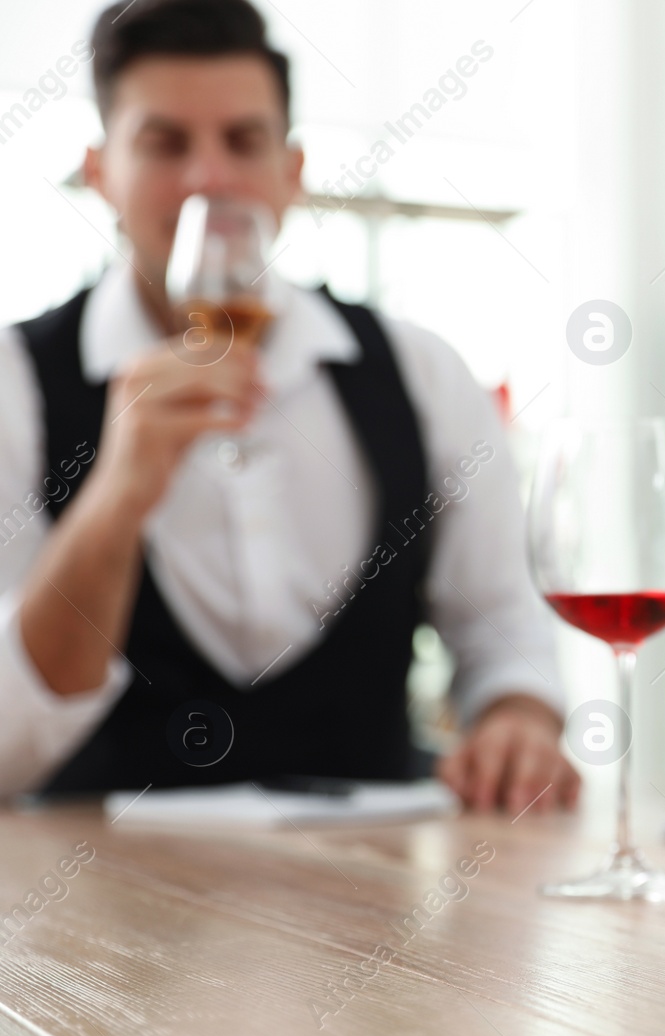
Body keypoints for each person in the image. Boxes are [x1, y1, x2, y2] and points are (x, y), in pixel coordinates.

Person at [0, 0, 580, 813]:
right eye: (165, 143)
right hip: (97, 917)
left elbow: (502, 630)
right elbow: (4, 750)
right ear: (100, 172)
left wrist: (517, 715)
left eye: (243, 141)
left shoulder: (419, 372)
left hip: (376, 907)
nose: (210, 177)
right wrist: (118, 496)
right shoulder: (16, 384)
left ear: (293, 170)